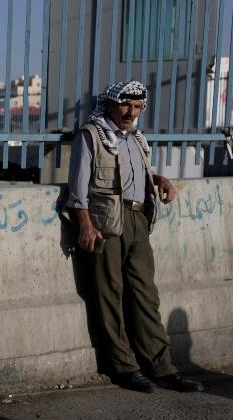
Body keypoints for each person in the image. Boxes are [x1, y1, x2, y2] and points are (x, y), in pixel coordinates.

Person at [66, 80, 203, 394]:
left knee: (145, 296)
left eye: (138, 107)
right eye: (126, 105)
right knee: (109, 296)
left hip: (138, 220)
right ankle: (124, 367)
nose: (131, 112)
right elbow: (77, 191)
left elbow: (133, 175)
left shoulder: (135, 139)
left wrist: (159, 178)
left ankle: (162, 367)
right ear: (112, 104)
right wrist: (85, 226)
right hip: (105, 223)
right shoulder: (91, 136)